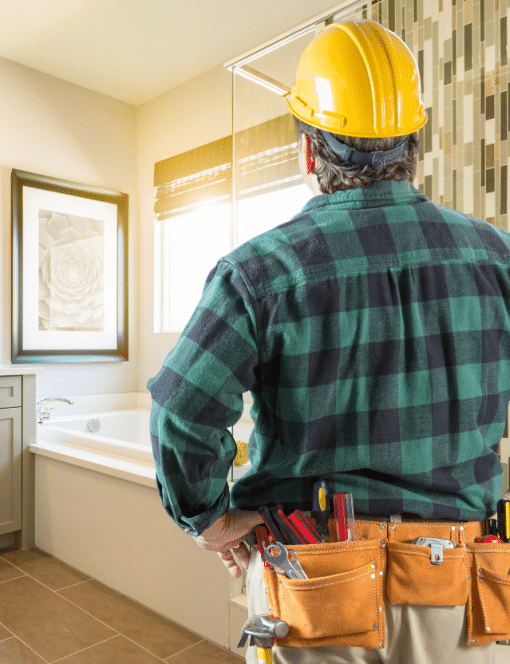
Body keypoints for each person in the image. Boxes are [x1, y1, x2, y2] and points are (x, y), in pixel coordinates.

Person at [148, 18, 510, 664]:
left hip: (313, 586)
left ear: (310, 153)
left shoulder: (257, 272)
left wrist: (210, 517)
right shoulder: (497, 259)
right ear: (413, 147)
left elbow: (181, 408)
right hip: (461, 592)